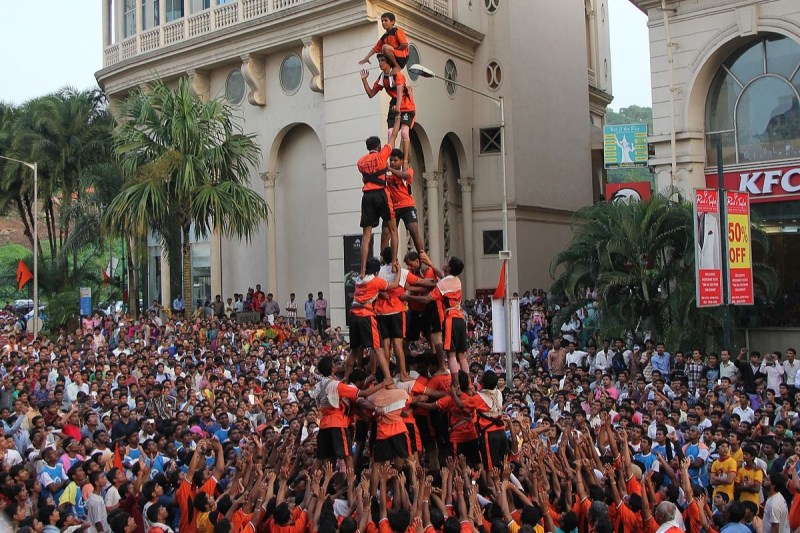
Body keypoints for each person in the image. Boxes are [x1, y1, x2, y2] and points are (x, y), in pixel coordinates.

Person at [403, 256, 467, 374]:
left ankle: (444, 369)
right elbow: (442, 277)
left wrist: (408, 295)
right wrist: (431, 264)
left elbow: (427, 297)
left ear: (449, 267)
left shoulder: (443, 284)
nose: (444, 261)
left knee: (451, 353)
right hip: (460, 318)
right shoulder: (456, 280)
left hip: (449, 317)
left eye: (447, 261)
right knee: (461, 355)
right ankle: (466, 380)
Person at [356, 126, 401, 278]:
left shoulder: (361, 162)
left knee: (366, 234)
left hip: (367, 196)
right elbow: (394, 135)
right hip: (381, 193)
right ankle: (394, 263)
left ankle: (362, 271)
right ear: (378, 146)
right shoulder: (383, 155)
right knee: (393, 229)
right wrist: (397, 119)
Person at [361, 54, 416, 165]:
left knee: (405, 132)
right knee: (390, 132)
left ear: (389, 62)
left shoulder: (397, 75)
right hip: (394, 104)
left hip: (405, 104)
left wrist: (398, 108)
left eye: (383, 60)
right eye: (379, 61)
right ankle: (392, 159)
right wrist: (364, 80)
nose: (380, 63)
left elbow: (400, 92)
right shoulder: (382, 77)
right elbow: (371, 94)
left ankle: (405, 161)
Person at [382, 149, 425, 258]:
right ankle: (386, 260)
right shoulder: (386, 174)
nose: (392, 162)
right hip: (392, 208)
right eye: (391, 160)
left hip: (407, 206)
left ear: (401, 161)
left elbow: (404, 176)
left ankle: (422, 256)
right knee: (386, 234)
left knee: (413, 230)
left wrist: (390, 169)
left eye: (395, 160)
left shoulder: (408, 170)